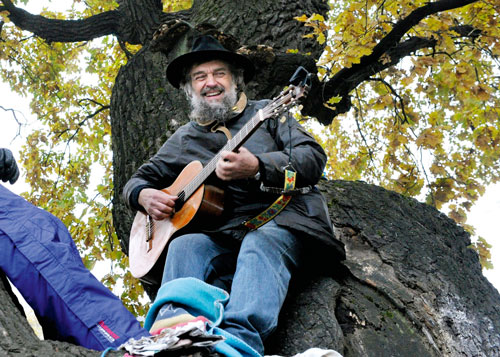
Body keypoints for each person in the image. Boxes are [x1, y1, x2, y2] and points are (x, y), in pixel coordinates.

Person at [123, 35, 344, 356]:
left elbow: (313, 160)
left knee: (261, 239)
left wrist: (258, 166)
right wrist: (143, 196)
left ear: (236, 80)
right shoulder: (184, 139)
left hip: (285, 224)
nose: (210, 83)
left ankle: (237, 343)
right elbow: (137, 181)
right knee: (186, 243)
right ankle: (173, 332)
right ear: (189, 88)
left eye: (219, 74)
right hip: (225, 238)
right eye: (200, 77)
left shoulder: (268, 113)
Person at [0, 148, 150, 351]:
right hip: (18, 223)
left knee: (66, 297)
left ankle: (130, 346)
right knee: (64, 297)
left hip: (18, 221)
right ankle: (129, 346)